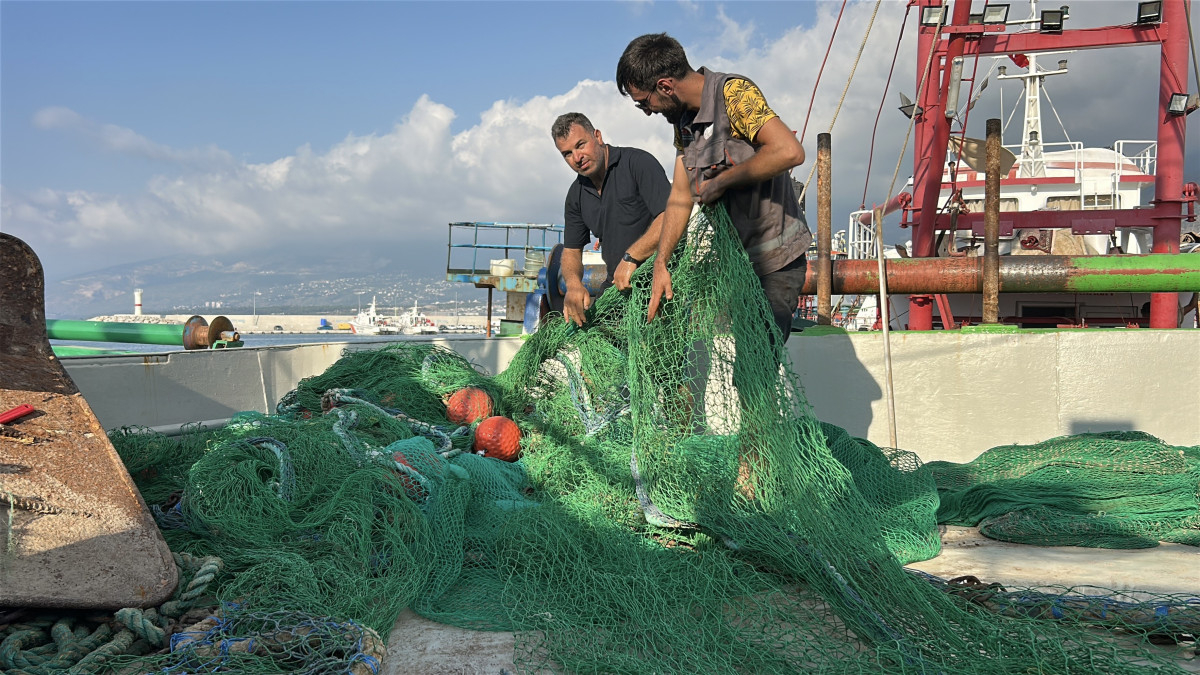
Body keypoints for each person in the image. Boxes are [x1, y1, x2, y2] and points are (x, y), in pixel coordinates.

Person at [615, 33, 812, 344]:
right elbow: (680, 197)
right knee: (718, 351)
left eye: (644, 103)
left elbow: (790, 152)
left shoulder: (734, 94)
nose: (648, 111)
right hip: (735, 267)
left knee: (755, 366)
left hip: (776, 262)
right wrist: (661, 263)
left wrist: (722, 181)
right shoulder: (683, 122)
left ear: (665, 86)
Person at [551, 112, 671, 326]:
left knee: (658, 355)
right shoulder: (575, 195)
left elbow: (669, 218)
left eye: (581, 145)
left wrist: (631, 258)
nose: (577, 157)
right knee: (591, 335)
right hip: (618, 288)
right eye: (567, 153)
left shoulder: (638, 163)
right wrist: (573, 284)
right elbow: (571, 250)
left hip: (662, 280)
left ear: (597, 136)